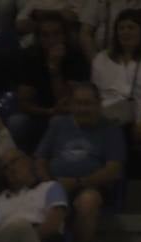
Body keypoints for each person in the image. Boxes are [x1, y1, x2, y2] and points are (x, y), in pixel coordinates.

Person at [34, 81, 124, 242]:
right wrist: (49, 184)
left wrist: (78, 182)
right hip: (54, 184)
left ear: (99, 104)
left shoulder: (111, 129)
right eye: (78, 103)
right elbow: (40, 159)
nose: (83, 109)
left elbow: (113, 169)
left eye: (88, 103)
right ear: (71, 105)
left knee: (88, 202)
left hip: (91, 186)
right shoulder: (57, 124)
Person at [90, 8, 141, 178]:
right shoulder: (101, 59)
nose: (125, 32)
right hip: (110, 119)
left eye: (131, 27)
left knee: (134, 135)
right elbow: (96, 95)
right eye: (121, 28)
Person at [9, 10, 91, 151]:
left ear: (65, 35)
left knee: (58, 121)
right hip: (41, 114)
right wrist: (49, 111)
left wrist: (55, 69)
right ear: (39, 38)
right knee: (16, 122)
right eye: (45, 35)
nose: (51, 40)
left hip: (71, 118)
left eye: (56, 34)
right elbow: (24, 103)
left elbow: (67, 104)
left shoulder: (77, 58)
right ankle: (24, 163)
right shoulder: (30, 57)